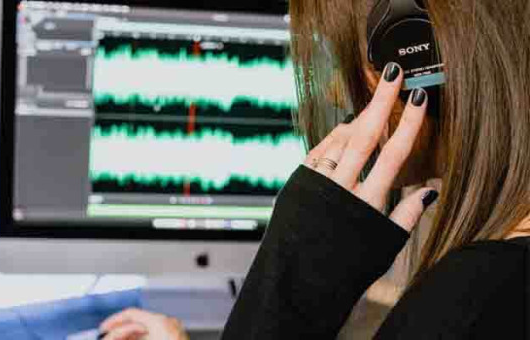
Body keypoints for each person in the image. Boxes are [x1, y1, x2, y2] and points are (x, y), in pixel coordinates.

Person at [100, 0, 530, 338]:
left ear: (417, 60)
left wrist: (291, 284)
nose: (328, 88)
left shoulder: (472, 299)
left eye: (336, 56)